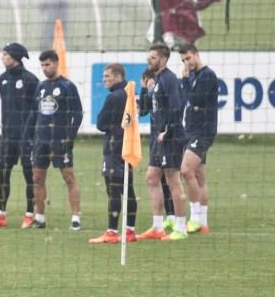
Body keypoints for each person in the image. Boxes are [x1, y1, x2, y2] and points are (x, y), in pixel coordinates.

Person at [26, 50, 83, 230]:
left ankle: (75, 217)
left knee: (68, 177)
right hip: (41, 141)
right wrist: (28, 136)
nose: (45, 68)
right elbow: (34, 113)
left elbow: (78, 114)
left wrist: (70, 138)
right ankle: (40, 217)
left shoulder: (67, 86)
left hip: (60, 140)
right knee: (37, 178)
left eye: (48, 64)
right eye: (42, 65)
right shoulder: (41, 86)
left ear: (56, 63)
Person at [136, 43, 189, 241]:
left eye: (153, 58)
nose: (149, 60)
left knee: (173, 180)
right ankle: (158, 227)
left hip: (171, 137)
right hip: (157, 138)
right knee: (151, 177)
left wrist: (167, 131)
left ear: (164, 59)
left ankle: (181, 227)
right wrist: (143, 90)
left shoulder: (169, 79)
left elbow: (177, 107)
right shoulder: (155, 80)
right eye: (148, 57)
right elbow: (144, 110)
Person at [0, 42, 38, 228]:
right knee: (3, 173)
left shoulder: (31, 80)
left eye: (5, 54)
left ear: (15, 57)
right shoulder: (2, 78)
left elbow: (36, 109)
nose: (2, 57)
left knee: (29, 176)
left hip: (26, 138)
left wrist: (31, 133)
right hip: (7, 136)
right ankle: (0, 214)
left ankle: (29, 214)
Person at [89, 63, 138, 244]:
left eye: (107, 76)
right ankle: (130, 230)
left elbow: (101, 124)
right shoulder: (131, 94)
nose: (104, 80)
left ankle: (111, 232)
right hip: (130, 146)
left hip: (114, 147)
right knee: (128, 189)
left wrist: (111, 126)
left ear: (118, 77)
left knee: (113, 190)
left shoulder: (114, 97)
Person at [179, 44, 218, 234]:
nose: (186, 64)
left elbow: (196, 100)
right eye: (183, 61)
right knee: (200, 176)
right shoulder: (194, 76)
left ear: (196, 54)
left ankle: (194, 218)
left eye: (188, 59)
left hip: (202, 131)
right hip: (192, 129)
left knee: (186, 170)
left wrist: (185, 81)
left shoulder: (207, 75)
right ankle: (203, 222)